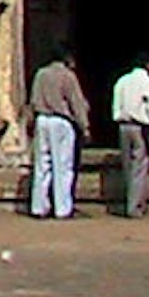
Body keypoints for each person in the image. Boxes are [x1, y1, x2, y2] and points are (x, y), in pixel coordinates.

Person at [25, 51, 91, 219]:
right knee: (62, 166)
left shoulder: (41, 74)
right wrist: (84, 126)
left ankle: (38, 206)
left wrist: (30, 122)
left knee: (42, 165)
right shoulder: (67, 76)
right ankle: (62, 208)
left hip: (42, 120)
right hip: (61, 121)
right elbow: (76, 102)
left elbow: (33, 100)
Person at [109, 54, 149, 218]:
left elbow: (116, 106)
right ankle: (134, 206)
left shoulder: (122, 81)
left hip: (123, 126)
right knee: (139, 167)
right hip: (141, 126)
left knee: (127, 166)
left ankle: (130, 200)